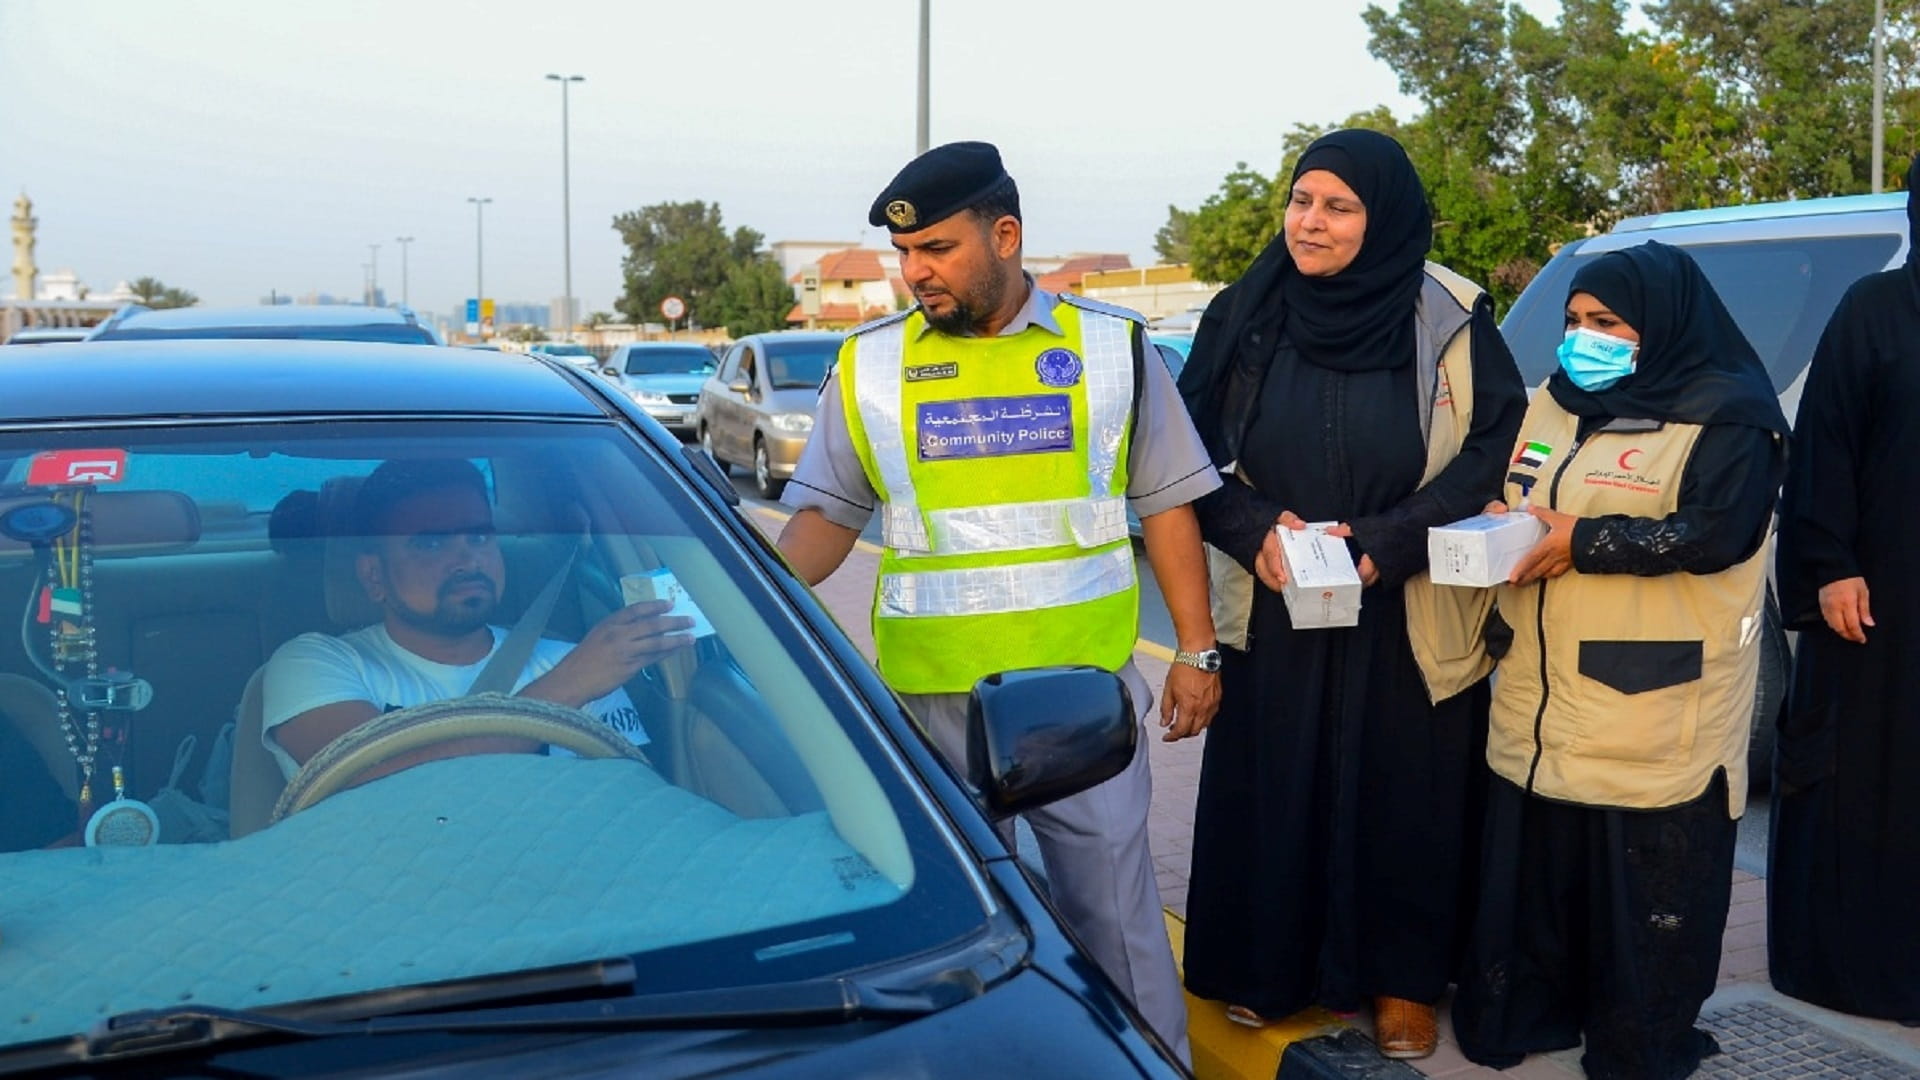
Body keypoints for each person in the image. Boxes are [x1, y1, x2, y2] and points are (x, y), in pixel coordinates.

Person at [775, 141, 1221, 1060]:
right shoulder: (868, 365)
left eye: (935, 249)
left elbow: (1168, 504)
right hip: (931, 707)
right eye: (905, 255)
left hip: (1081, 707)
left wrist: (1195, 649)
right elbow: (825, 522)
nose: (914, 273)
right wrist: (739, 598)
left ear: (1005, 234)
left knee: (1120, 935)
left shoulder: (1109, 349)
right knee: (954, 941)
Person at [1175, 128, 1525, 1058]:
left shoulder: (1449, 315)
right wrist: (1256, 534)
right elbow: (1183, 456)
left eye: (1338, 206)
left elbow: (1494, 446)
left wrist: (1388, 540)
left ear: (1385, 218)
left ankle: (1403, 982)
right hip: (1277, 595)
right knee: (1276, 780)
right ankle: (1267, 967)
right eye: (1301, 201)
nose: (1311, 222)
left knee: (1408, 788)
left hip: (1404, 599)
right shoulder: (1244, 313)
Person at [1446, 241, 1788, 1079]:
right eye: (1572, 321)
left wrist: (1582, 542)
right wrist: (1508, 518)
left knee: (1646, 899)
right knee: (1545, 888)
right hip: (1539, 698)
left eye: (1606, 323)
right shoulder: (1553, 405)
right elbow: (1532, 492)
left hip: (1652, 704)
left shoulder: (1729, 414)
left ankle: (1637, 1040)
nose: (1582, 339)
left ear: (1660, 326)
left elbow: (1718, 534)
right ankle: (1533, 1013)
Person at [261, 458, 692, 783]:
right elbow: (378, 781)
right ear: (375, 576)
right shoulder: (316, 663)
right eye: (431, 544)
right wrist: (568, 687)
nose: (467, 558)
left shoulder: (578, 664)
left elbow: (632, 813)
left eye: (480, 536)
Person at [1769, 154, 1920, 1025]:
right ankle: (1860, 970)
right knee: (1869, 783)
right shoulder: (1876, 308)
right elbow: (1824, 440)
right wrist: (1828, 565)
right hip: (1878, 605)